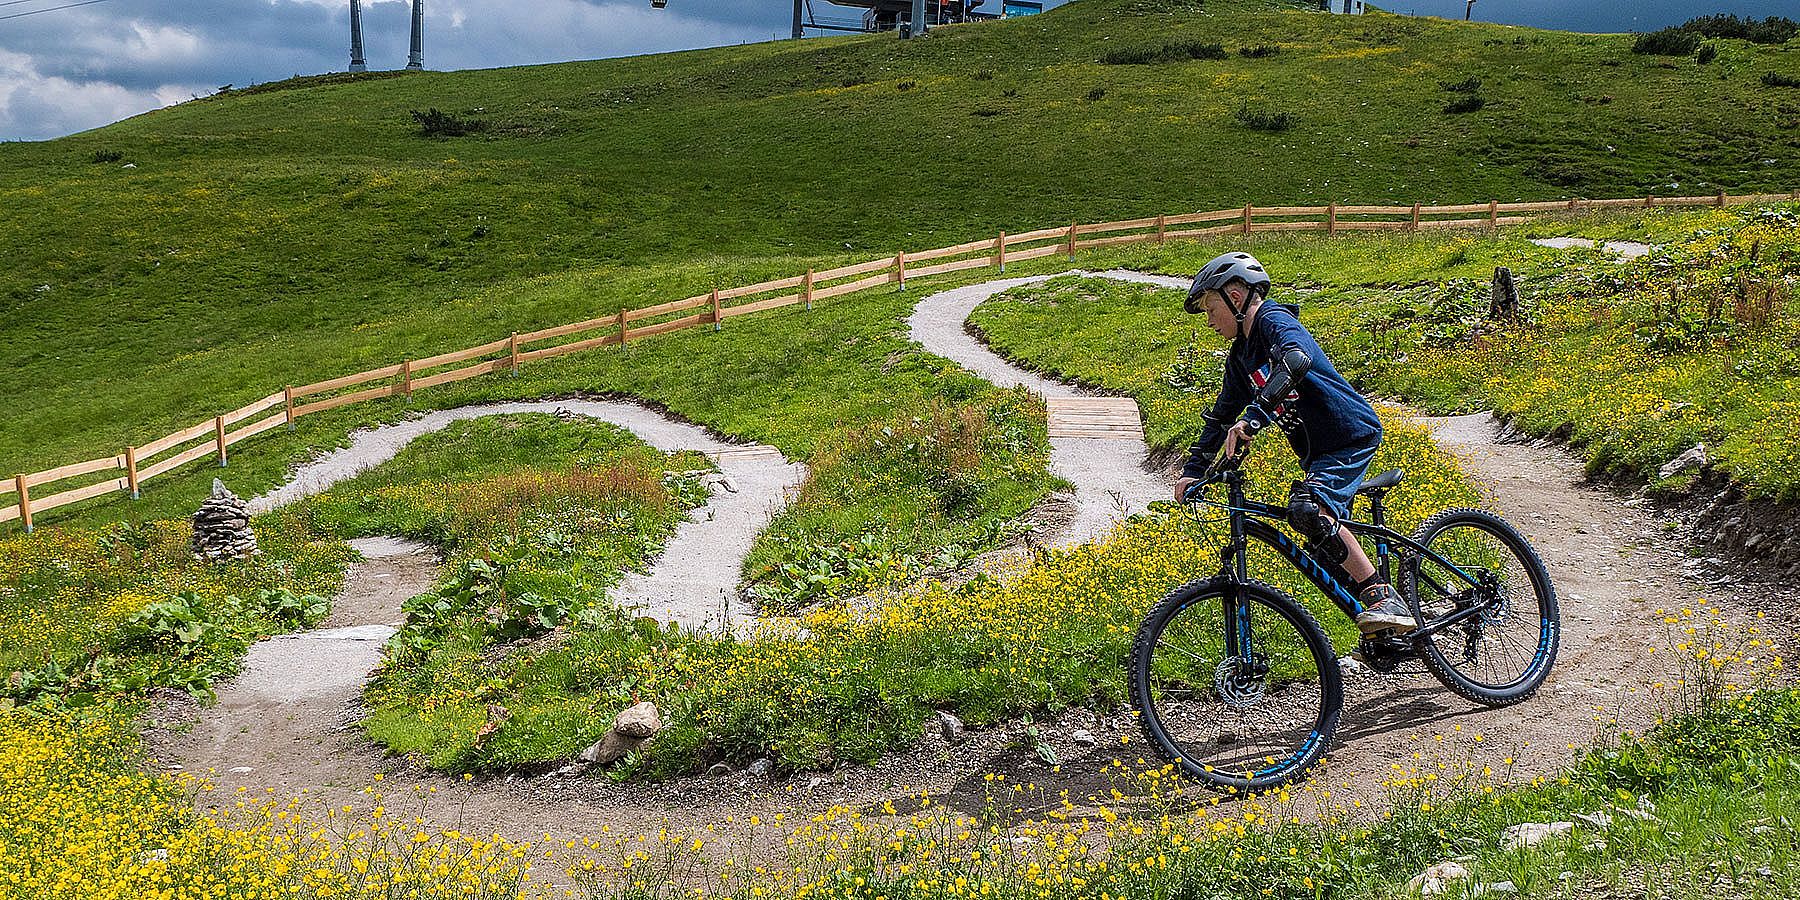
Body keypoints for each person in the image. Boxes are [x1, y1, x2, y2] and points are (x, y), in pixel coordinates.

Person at [1172, 251, 1415, 634]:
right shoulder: (1241, 356)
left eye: (1210, 308)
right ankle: (1389, 634)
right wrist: (1193, 471)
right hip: (1318, 452)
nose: (1209, 321)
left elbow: (1296, 361)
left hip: (1348, 435)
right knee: (1321, 545)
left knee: (1308, 511)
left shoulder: (1274, 320)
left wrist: (1253, 419)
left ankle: (1384, 598)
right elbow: (1220, 416)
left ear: (1235, 297)